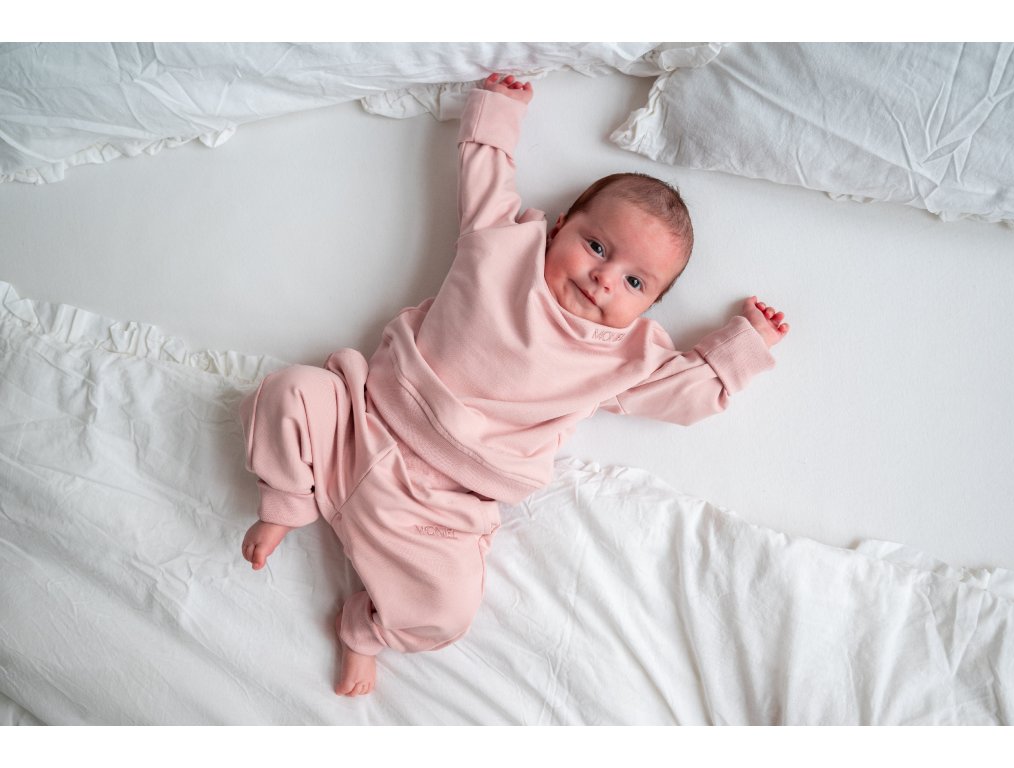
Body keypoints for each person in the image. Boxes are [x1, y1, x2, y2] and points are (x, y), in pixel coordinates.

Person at [240, 73, 790, 697]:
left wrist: (745, 343)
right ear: (559, 227)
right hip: (362, 420)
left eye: (636, 283)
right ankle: (289, 503)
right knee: (289, 392)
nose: (605, 279)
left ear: (650, 308)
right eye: (597, 246)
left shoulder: (623, 358)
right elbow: (483, 175)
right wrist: (497, 108)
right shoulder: (502, 245)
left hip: (444, 506)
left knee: (447, 611)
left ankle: (364, 630)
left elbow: (687, 393)